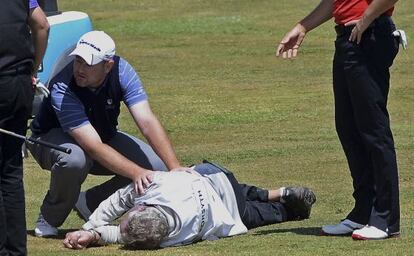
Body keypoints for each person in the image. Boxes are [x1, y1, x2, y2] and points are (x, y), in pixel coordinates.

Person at [27, 30, 190, 238]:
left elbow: (147, 121)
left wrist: (174, 166)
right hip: (48, 139)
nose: (79, 69)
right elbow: (92, 146)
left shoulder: (123, 71)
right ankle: (50, 217)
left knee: (155, 168)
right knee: (75, 159)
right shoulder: (62, 86)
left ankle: (89, 203)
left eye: (88, 63)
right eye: (78, 61)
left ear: (108, 65)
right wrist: (136, 173)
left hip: (101, 135)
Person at [276, 0, 401, 240]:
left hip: (370, 34)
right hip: (349, 37)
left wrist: (366, 19)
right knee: (349, 128)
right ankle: (363, 212)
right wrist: (303, 26)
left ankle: (385, 219)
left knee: (374, 131)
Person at [62, 161, 316, 250]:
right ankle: (281, 192)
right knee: (246, 192)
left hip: (227, 209)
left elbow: (120, 234)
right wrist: (92, 230)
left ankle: (287, 207)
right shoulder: (156, 188)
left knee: (256, 214)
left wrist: (93, 229)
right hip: (214, 175)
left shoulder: (170, 239)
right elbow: (122, 209)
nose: (123, 217)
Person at [0, 0, 49, 255]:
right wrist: (32, 68)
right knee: (10, 171)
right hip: (20, 84)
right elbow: (42, 24)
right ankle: (16, 250)